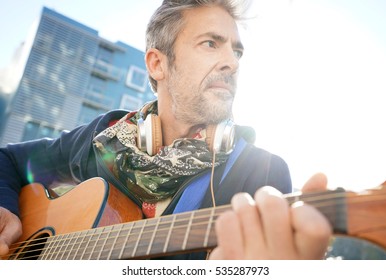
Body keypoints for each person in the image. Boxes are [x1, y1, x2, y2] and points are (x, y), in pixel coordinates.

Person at [0, 0, 331, 260]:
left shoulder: (264, 173)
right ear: (157, 64)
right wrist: (7, 214)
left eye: (237, 50)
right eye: (211, 44)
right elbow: (8, 161)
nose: (232, 61)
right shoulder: (104, 136)